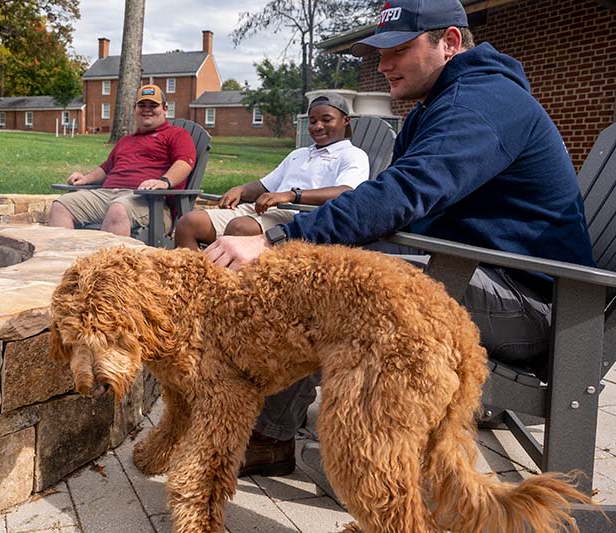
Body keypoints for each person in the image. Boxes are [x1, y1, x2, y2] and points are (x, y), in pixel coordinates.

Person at [207, 0, 596, 478]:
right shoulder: (441, 104)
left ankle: (302, 444)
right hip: (475, 272)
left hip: (538, 307)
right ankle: (275, 431)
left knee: (321, 280)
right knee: (322, 264)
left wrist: (281, 239)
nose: (383, 64)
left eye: (399, 49)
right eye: (378, 53)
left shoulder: (484, 104)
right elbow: (391, 202)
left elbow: (404, 192)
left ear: (449, 43)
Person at [173, 93, 368, 250]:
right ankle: (193, 285)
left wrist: (292, 195)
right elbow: (264, 185)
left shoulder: (353, 155)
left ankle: (233, 292)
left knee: (240, 228)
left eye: (326, 119)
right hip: (266, 210)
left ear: (345, 121)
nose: (317, 126)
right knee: (188, 223)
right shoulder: (298, 154)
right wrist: (241, 190)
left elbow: (346, 192)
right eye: (313, 120)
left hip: (302, 217)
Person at [48, 84, 197, 236]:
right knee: (61, 205)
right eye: (142, 105)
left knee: (118, 209)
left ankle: (108, 260)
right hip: (107, 195)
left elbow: (184, 163)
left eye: (153, 105)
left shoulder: (177, 135)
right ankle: (63, 258)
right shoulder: (126, 140)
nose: (147, 109)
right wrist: (86, 178)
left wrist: (164, 181)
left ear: (165, 109)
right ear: (135, 109)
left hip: (150, 202)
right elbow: (107, 168)